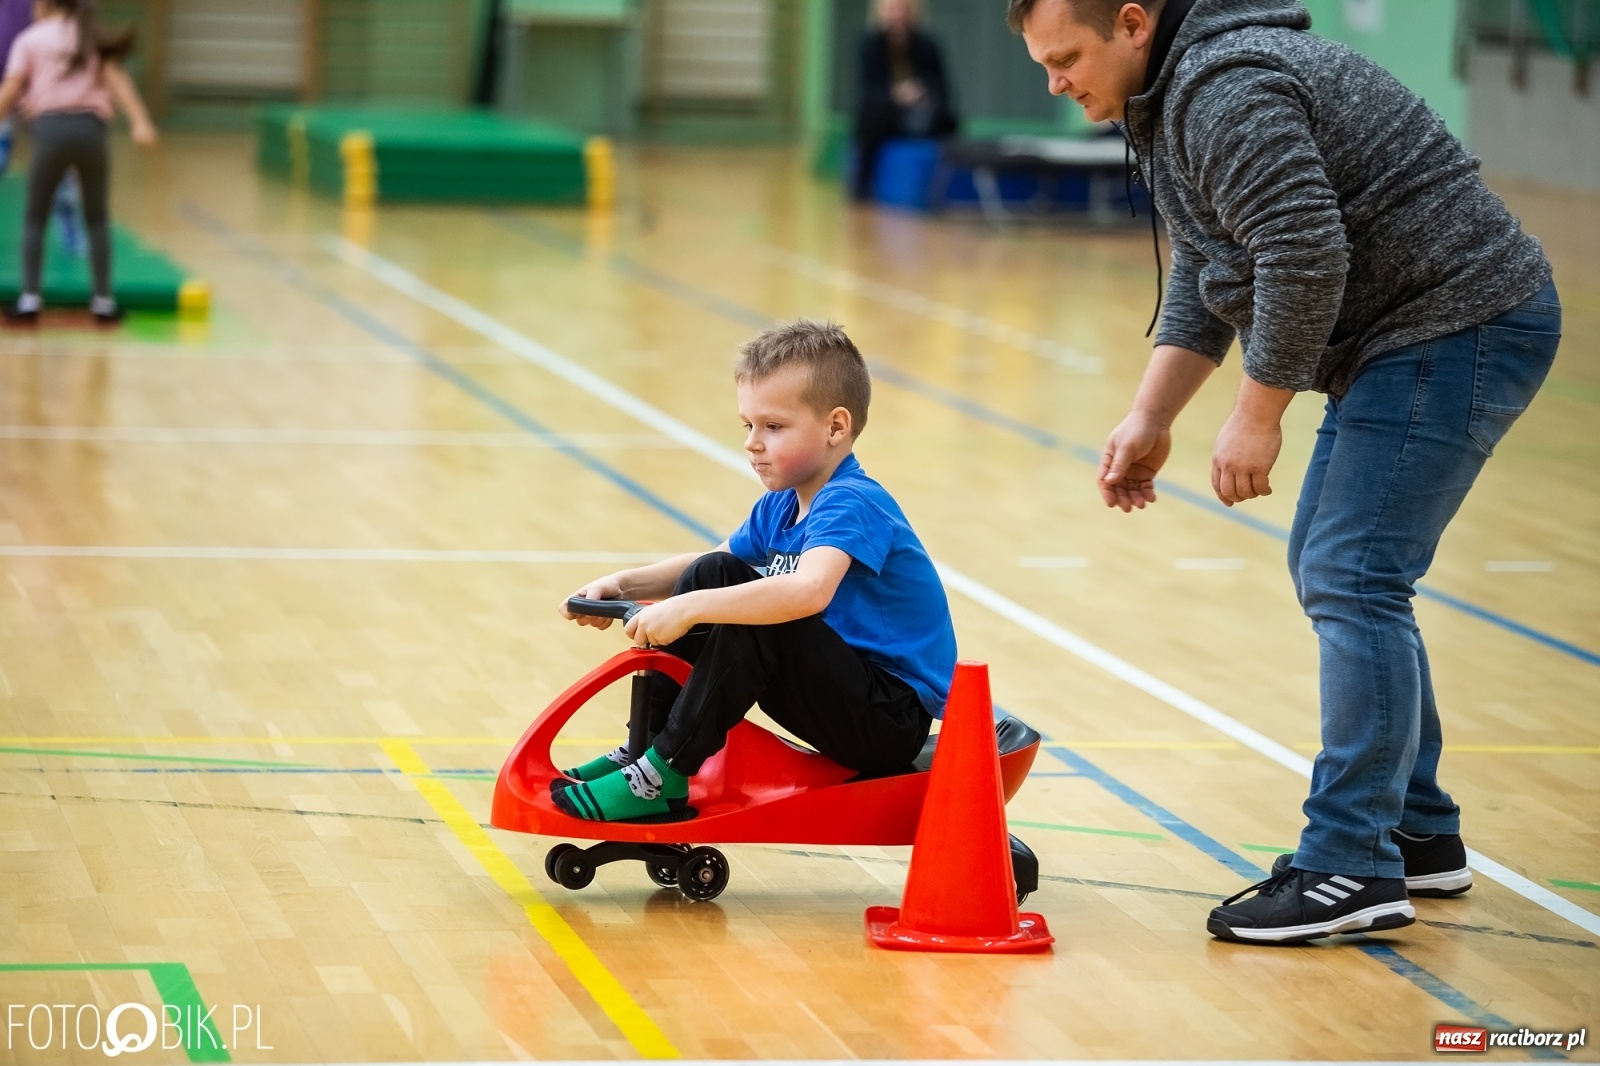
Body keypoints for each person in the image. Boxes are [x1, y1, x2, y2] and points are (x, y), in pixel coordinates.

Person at [1011, 0, 1558, 944]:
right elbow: (1213, 260)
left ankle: (1352, 864)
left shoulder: (1225, 91)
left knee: (1354, 575)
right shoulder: (1171, 95)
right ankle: (1415, 830)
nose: (1056, 84)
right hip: (1412, 332)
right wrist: (1153, 413)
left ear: (1133, 24)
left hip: (1455, 320)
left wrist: (1254, 417)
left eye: (1066, 58)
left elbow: (1301, 255)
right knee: (1337, 565)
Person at [552, 320, 958, 823]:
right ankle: (649, 751)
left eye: (773, 426)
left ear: (836, 427)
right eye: (748, 426)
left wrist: (688, 607)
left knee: (753, 613)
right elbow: (715, 566)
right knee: (714, 572)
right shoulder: (782, 505)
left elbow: (807, 592)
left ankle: (662, 773)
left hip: (885, 718)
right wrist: (624, 583)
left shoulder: (853, 501)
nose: (752, 443)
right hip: (835, 693)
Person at [0, 0, 156, 326]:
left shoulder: (30, 39)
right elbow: (118, 81)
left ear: (42, 5)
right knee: (97, 217)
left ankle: (30, 300)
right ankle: (103, 301)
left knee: (35, 217)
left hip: (50, 133)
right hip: (91, 134)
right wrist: (140, 122)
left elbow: (11, 89)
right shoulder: (89, 35)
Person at [852, 0, 958, 202]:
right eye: (893, 10)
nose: (898, 16)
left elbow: (942, 88)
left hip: (922, 112)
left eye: (903, 10)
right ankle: (862, 188)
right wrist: (896, 95)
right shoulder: (869, 44)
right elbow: (868, 91)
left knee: (950, 120)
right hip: (886, 113)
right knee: (871, 120)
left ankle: (946, 185)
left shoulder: (928, 44)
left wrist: (920, 93)